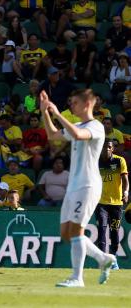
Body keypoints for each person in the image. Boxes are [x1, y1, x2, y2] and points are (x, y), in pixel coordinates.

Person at [40, 88, 115, 287]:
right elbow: (53, 135)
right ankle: (103, 258)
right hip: (73, 186)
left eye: (74, 102)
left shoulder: (96, 126)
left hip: (88, 184)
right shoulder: (77, 124)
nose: (71, 105)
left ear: (87, 104)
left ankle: (77, 278)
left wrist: (57, 113)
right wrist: (44, 112)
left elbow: (78, 135)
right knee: (66, 234)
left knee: (76, 230)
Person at [96, 140, 128, 270]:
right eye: (104, 147)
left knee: (114, 232)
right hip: (100, 202)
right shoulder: (96, 161)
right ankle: (103, 260)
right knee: (102, 229)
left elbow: (125, 179)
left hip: (116, 203)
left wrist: (126, 191)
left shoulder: (119, 161)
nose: (106, 149)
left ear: (113, 149)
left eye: (109, 147)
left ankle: (113, 258)